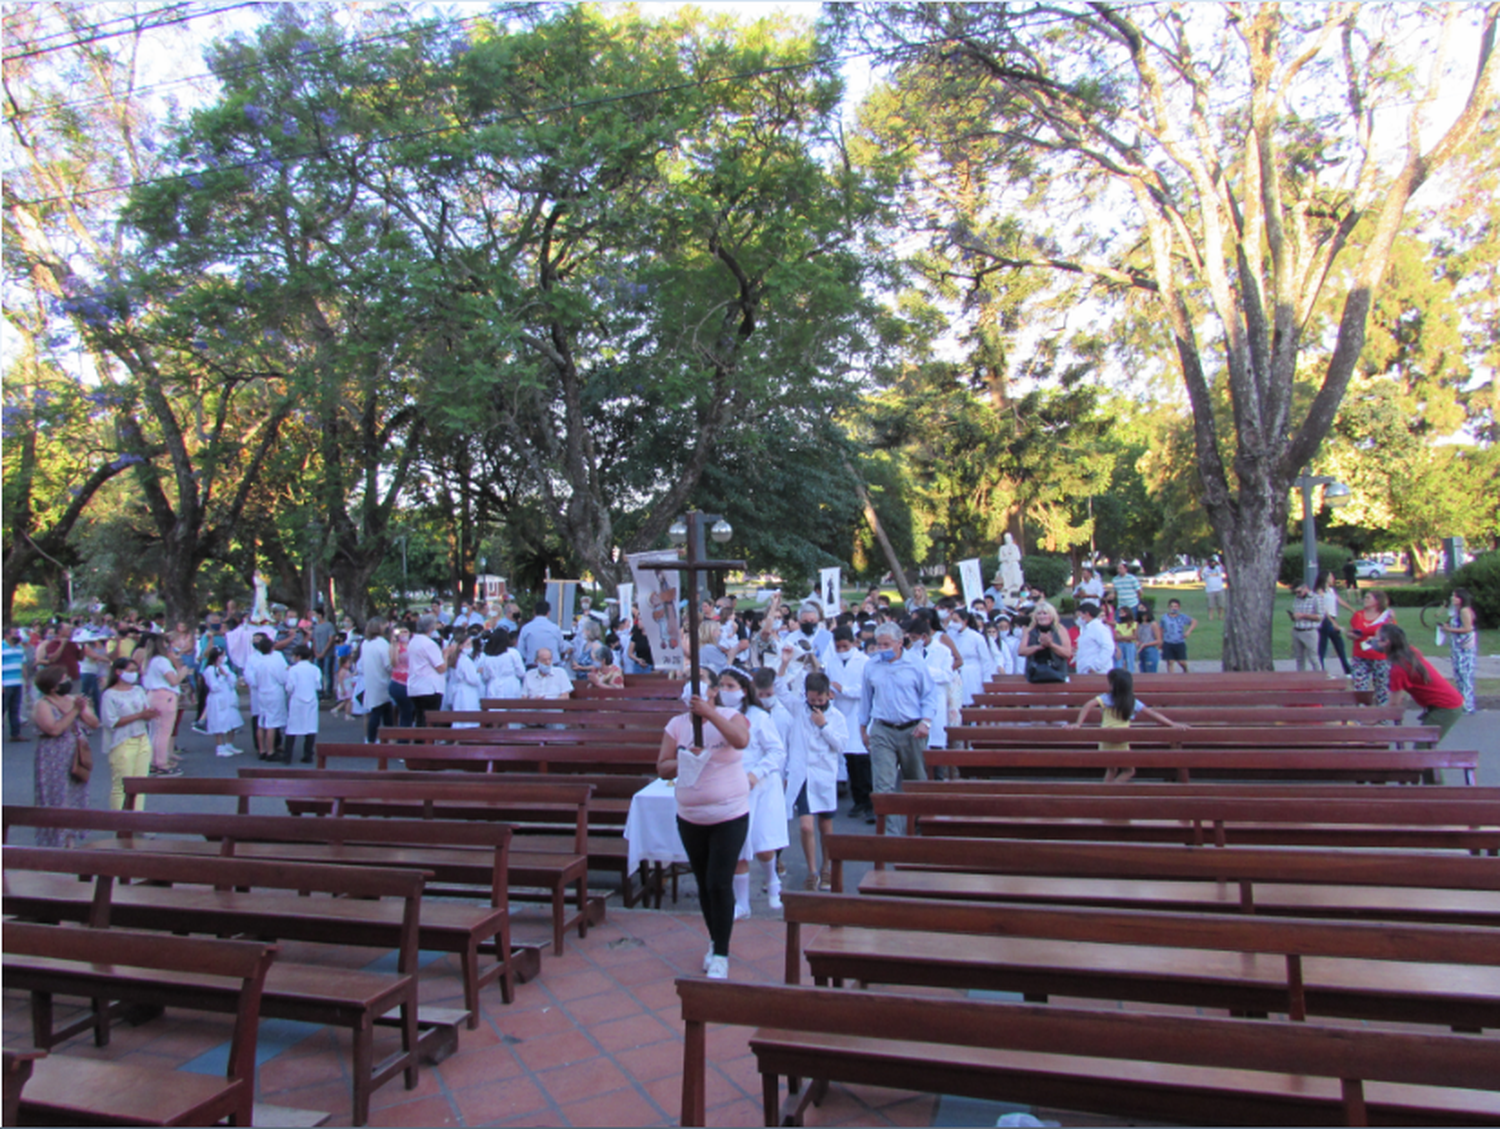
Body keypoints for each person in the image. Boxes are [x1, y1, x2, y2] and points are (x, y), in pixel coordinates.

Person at [657, 671, 752, 980]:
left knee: (719, 881)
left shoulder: (730, 715)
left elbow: (741, 740)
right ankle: (715, 939)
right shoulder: (676, 725)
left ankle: (722, 953)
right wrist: (684, 757)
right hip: (691, 816)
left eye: (700, 679)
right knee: (703, 882)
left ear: (712, 691)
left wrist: (710, 714)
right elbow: (662, 766)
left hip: (729, 814)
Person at [858, 621, 942, 835]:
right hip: (882, 728)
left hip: (911, 728)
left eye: (886, 644)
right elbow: (866, 698)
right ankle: (890, 835)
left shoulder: (915, 664)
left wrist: (926, 721)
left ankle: (919, 826)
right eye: (879, 645)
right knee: (883, 785)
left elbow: (929, 695)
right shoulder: (871, 665)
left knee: (915, 781)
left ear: (899, 643)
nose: (882, 649)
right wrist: (863, 727)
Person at [718, 668, 789, 916]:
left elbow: (776, 751)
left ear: (743, 690)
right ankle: (742, 903)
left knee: (762, 843)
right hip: (730, 787)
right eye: (722, 686)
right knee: (737, 846)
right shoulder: (718, 716)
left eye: (730, 686)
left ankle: (772, 883)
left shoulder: (758, 717)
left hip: (759, 786)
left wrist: (755, 774)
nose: (725, 692)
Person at [776, 668, 848, 891]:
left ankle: (827, 866)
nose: (816, 702)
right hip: (802, 775)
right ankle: (812, 871)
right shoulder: (799, 709)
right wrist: (785, 663)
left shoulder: (836, 717)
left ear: (828, 696)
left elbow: (841, 745)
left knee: (825, 825)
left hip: (824, 775)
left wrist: (823, 726)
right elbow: (779, 689)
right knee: (806, 827)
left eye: (820, 699)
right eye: (811, 698)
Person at [1072, 668, 1186, 783]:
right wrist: (1172, 724)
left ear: (1113, 685)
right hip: (1122, 739)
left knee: (1112, 769)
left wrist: (1078, 724)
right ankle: (1109, 790)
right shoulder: (1131, 701)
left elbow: (1088, 705)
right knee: (1129, 771)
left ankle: (1106, 791)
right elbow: (1152, 713)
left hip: (1106, 738)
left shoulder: (1106, 698)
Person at [32, 664, 100, 846]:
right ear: (52, 686)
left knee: (75, 795)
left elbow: (94, 723)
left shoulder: (74, 699)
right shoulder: (42, 704)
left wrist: (83, 710)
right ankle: (55, 843)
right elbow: (54, 729)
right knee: (56, 797)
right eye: (63, 680)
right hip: (53, 756)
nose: (68, 682)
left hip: (75, 753)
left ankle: (71, 841)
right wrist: (75, 711)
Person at [1376, 624, 1466, 741]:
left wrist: (1374, 719)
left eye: (1375, 638)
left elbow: (1394, 702)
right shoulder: (1409, 652)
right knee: (1424, 745)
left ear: (1386, 642)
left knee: (1424, 747)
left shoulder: (1399, 668)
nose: (1371, 641)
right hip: (1447, 702)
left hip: (1446, 706)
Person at [824, 626, 872, 820]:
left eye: (845, 646)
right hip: (840, 713)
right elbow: (828, 683)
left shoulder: (865, 662)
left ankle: (870, 803)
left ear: (853, 643)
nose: (842, 650)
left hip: (858, 713)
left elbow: (865, 690)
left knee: (862, 761)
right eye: (838, 647)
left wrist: (843, 689)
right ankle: (859, 801)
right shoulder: (831, 663)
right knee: (849, 759)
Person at [100, 656, 158, 810]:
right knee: (121, 785)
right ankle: (120, 823)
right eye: (130, 671)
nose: (134, 674)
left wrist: (151, 713)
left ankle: (137, 820)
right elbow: (110, 721)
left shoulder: (138, 690)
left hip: (142, 739)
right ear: (119, 672)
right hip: (123, 742)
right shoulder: (110, 695)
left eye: (135, 671)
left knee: (140, 786)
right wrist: (139, 716)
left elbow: (145, 710)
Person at [138, 633, 186, 774]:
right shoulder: (161, 661)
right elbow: (173, 680)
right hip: (165, 696)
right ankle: (161, 763)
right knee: (164, 731)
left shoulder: (149, 661)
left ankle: (153, 760)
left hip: (152, 695)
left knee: (155, 731)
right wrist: (182, 672)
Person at [1345, 590, 1394, 706]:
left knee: (1382, 689)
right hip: (1360, 656)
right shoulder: (1358, 615)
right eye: (1365, 598)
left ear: (1377, 601)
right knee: (1360, 688)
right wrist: (1351, 635)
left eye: (1368, 598)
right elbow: (1350, 631)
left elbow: (1392, 633)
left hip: (1380, 657)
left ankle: (1383, 720)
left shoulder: (1386, 616)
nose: (1364, 600)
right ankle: (1361, 718)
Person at [246, 632, 288, 762]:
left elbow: (253, 679)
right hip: (273, 692)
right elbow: (282, 677)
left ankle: (262, 749)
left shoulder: (259, 662)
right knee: (271, 723)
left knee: (261, 722)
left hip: (261, 692)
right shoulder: (274, 661)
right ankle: (271, 751)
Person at [1439, 588, 1479, 714]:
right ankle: (1461, 703)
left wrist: (1450, 630)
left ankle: (1468, 705)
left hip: (1464, 648)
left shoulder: (1464, 611)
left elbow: (1468, 628)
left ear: (1461, 599)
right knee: (1459, 675)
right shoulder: (1456, 611)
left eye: (1455, 596)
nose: (1452, 598)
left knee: (1465, 675)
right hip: (1457, 648)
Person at [201, 646, 245, 757]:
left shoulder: (225, 667)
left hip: (228, 697)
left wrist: (227, 675)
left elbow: (232, 681)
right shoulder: (209, 670)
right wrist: (221, 677)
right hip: (217, 699)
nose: (224, 657)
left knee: (232, 721)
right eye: (222, 655)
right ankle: (220, 747)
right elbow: (214, 687)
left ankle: (229, 744)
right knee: (219, 722)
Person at [406, 615, 448, 727]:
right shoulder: (429, 644)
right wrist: (446, 655)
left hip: (415, 686)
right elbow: (441, 667)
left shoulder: (413, 641)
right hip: (430, 688)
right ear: (431, 628)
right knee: (430, 720)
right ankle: (427, 742)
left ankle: (419, 742)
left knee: (420, 719)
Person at [1018, 603, 1073, 683]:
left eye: (1045, 613)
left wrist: (1051, 645)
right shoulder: (1029, 631)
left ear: (1052, 615)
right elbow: (1021, 651)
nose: (1042, 616)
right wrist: (1038, 647)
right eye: (1039, 614)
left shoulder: (1060, 629)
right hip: (1035, 674)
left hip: (1057, 673)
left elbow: (1067, 653)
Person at [1315, 570, 1353, 676]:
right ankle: (1321, 672)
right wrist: (1333, 623)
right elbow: (1323, 609)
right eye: (1331, 576)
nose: (1333, 579)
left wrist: (1352, 610)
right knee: (1322, 647)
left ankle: (1348, 670)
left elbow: (1340, 601)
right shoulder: (1320, 591)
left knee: (1340, 646)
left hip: (1332, 619)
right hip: (1324, 621)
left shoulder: (1331, 590)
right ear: (1326, 577)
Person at [518, 601, 568, 673]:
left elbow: (521, 651)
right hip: (553, 666)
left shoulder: (526, 628)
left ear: (534, 612)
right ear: (548, 613)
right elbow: (561, 648)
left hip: (533, 666)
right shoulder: (555, 628)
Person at [1073, 602, 1116, 674]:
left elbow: (1108, 647)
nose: (1078, 619)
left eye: (1080, 615)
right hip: (1085, 671)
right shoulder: (1086, 629)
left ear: (1087, 614)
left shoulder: (1099, 628)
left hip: (1097, 672)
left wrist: (1096, 666)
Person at [1289, 582, 1323, 671]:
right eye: (1296, 592)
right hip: (1297, 630)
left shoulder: (1315, 598)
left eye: (1299, 592)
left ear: (1305, 588)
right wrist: (1293, 616)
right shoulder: (1297, 599)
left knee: (1313, 657)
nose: (1298, 594)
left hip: (1309, 631)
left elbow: (1320, 617)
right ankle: (1301, 678)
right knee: (1299, 658)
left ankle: (1318, 676)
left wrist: (1303, 615)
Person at [1158, 598, 1196, 674]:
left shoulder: (1182, 617)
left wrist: (1188, 631)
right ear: (1169, 607)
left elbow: (1194, 621)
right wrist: (1160, 640)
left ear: (1179, 608)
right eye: (1172, 606)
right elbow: (1161, 628)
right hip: (1168, 641)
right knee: (1170, 661)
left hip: (1179, 642)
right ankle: (1171, 678)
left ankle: (1185, 670)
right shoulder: (1164, 617)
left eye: (1176, 606)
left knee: (1181, 661)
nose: (1174, 608)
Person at [3, 626, 27, 741]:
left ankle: (15, 734)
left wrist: (25, 680)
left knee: (15, 709)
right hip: (5, 684)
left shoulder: (20, 648)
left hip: (17, 682)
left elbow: (23, 664)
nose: (17, 636)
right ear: (6, 635)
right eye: (14, 633)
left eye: (17, 633)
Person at [1199, 556, 1227, 620]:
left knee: (1221, 604)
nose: (1213, 564)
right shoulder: (1206, 569)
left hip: (1220, 588)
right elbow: (1200, 574)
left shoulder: (1218, 568)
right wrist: (1203, 566)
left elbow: (1224, 569)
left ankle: (1220, 616)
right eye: (1211, 562)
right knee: (1210, 605)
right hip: (1210, 590)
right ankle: (1210, 616)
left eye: (1214, 562)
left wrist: (1219, 563)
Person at [1113, 606, 1138, 672]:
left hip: (1130, 645)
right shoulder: (1118, 625)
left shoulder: (1134, 624)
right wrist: (1128, 637)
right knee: (1119, 662)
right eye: (1120, 613)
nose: (1121, 614)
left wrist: (1122, 637)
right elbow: (1116, 637)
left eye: (1123, 613)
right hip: (1120, 645)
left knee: (1130, 662)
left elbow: (1135, 636)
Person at [331, 654, 356, 719]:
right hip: (345, 688)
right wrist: (343, 689)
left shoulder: (346, 671)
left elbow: (351, 676)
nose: (349, 664)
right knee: (348, 701)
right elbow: (340, 680)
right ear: (343, 664)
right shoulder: (342, 671)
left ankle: (337, 709)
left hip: (348, 687)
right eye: (348, 663)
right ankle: (347, 714)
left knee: (347, 701)